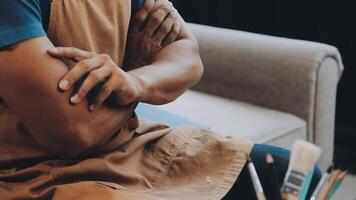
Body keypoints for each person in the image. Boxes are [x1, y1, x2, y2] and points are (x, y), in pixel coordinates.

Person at [0, 0, 320, 199]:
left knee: (296, 175)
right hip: (34, 172)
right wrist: (140, 71)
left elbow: (188, 56)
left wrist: (136, 82)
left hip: (130, 146)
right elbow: (74, 131)